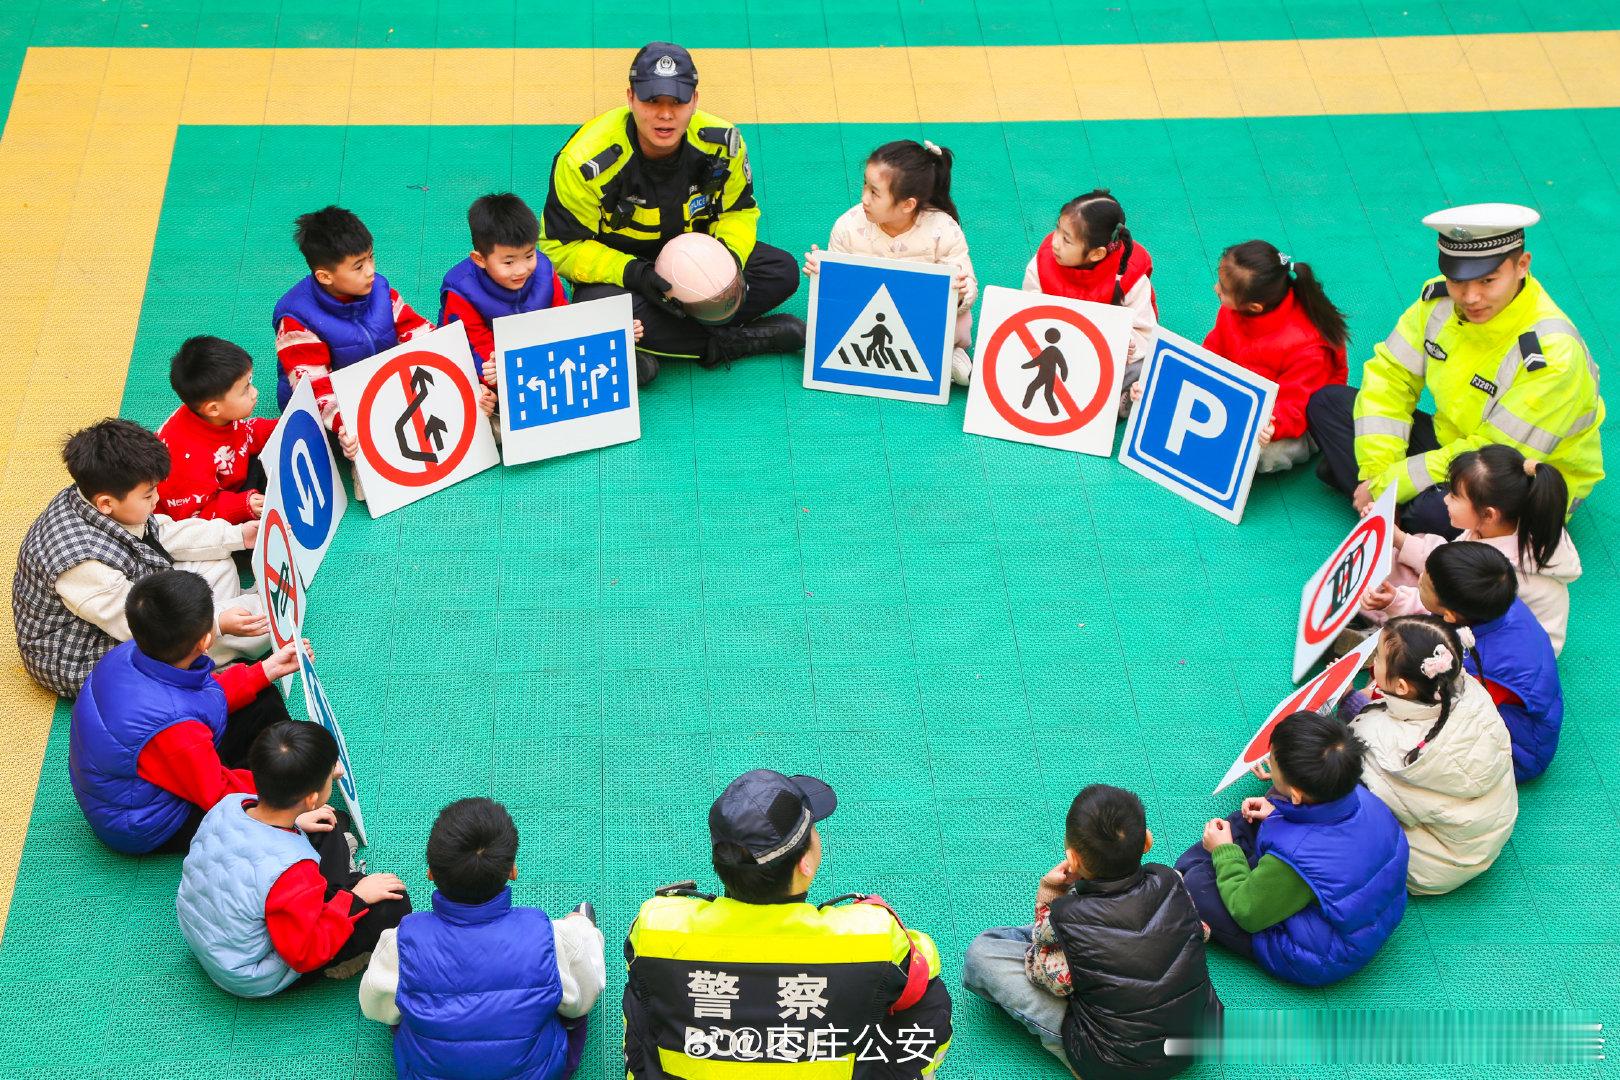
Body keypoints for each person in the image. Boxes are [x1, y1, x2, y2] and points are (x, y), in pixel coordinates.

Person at [622, 770, 952, 1076]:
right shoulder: (872, 934)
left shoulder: (658, 925)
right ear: (805, 863)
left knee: (643, 994)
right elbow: (923, 966)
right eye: (813, 831)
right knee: (928, 1001)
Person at [1307, 203, 1604, 535]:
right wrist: (1375, 474)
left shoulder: (1552, 354)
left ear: (1522, 265)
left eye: (1488, 280)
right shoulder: (1439, 301)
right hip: (1452, 443)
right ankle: (1390, 513)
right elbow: (1390, 378)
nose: (1471, 296)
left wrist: (1393, 482)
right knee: (1326, 404)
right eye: (1458, 280)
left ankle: (1390, 513)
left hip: (1516, 476)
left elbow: (1495, 457)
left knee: (1433, 515)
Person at [540, 42, 804, 387]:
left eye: (677, 102)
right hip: (625, 271)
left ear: (694, 100)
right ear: (631, 97)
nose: (665, 114)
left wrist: (726, 260)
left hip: (699, 259)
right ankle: (730, 343)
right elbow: (560, 247)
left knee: (781, 271)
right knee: (598, 309)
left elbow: (740, 211)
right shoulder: (583, 160)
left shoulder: (723, 142)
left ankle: (654, 341)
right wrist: (635, 273)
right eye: (652, 101)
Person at [963, 784, 1221, 1079]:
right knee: (1074, 943)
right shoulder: (1172, 880)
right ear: (1147, 841)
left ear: (1073, 859)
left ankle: (1078, 1062)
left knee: (982, 953)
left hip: (1114, 1062)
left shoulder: (1068, 918)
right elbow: (1200, 932)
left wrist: (1050, 898)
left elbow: (1045, 977)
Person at [12, 419, 269, 698]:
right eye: (148, 495)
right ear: (106, 504)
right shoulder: (79, 566)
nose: (157, 499)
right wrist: (217, 624)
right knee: (262, 624)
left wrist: (239, 535)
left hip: (128, 596)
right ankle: (215, 642)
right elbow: (142, 628)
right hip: (91, 651)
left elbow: (161, 533)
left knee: (216, 561)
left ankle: (215, 639)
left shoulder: (95, 494)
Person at [360, 797, 607, 1080]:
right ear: (512, 870)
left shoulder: (400, 942)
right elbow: (585, 995)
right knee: (570, 994)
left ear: (430, 873)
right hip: (535, 1073)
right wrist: (579, 928)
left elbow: (373, 1006)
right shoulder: (549, 937)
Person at [69, 570, 305, 854]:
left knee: (261, 696)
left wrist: (264, 671)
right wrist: (294, 789)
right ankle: (295, 795)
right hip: (150, 822)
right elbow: (216, 792)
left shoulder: (134, 651)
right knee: (269, 814)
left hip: (147, 774)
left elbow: (201, 694)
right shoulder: (175, 729)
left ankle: (287, 764)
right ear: (206, 641)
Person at [177, 720, 411, 997]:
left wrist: (298, 821)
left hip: (213, 937)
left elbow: (252, 845)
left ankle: (341, 885)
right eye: (330, 775)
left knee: (330, 821)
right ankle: (348, 951)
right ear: (311, 797)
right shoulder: (291, 872)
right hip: (254, 970)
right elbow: (303, 953)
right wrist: (357, 897)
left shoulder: (230, 803)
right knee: (392, 902)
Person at [1175, 711, 1408, 987]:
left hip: (1320, 953)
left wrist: (1224, 851)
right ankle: (1200, 871)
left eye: (1272, 765)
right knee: (1250, 817)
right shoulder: (1360, 794)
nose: (1269, 767)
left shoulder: (1295, 859)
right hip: (1366, 915)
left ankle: (1182, 886)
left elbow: (1247, 910)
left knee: (1199, 884)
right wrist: (1275, 808)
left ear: (1297, 794)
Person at [1344, 616, 1517, 896]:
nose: (1373, 664)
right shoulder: (1467, 691)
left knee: (1341, 800)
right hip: (1480, 835)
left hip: (1434, 864)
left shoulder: (1393, 751)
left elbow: (1353, 775)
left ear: (1402, 687)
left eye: (1378, 658)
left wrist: (1351, 704)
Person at [1365, 444, 1581, 654]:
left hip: (1498, 649)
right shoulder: (1504, 527)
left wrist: (1396, 602)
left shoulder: (1498, 571)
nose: (1445, 499)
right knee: (1400, 560)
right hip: (1474, 611)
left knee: (1404, 633)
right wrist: (1399, 538)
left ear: (1488, 514)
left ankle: (1377, 630)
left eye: (1455, 496)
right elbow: (1447, 561)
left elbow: (1454, 612)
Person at [803, 139, 979, 386]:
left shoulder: (944, 230)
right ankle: (932, 360)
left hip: (922, 317)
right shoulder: (848, 226)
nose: (864, 198)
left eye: (874, 192)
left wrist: (962, 292)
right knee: (829, 329)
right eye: (865, 185)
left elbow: (967, 285)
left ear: (908, 204)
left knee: (957, 324)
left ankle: (948, 355)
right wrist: (823, 274)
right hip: (867, 312)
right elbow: (839, 294)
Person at [272, 205, 436, 465]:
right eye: (358, 266)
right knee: (351, 443)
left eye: (371, 258)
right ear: (325, 276)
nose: (371, 270)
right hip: (329, 408)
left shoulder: (379, 289)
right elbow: (314, 389)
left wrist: (450, 353)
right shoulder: (296, 320)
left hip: (376, 386)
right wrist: (342, 423)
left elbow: (414, 330)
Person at [1410, 542, 1563, 782]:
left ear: (1449, 615)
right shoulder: (1496, 603)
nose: (1419, 579)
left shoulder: (1477, 668)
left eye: (1425, 583)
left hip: (1520, 755)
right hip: (1518, 712)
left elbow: (1447, 711)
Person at [1202, 240, 1348, 473]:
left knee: (1260, 452)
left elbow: (1296, 405)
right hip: (1248, 397)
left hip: (1293, 421)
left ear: (1255, 307)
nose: (1215, 289)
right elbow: (1214, 348)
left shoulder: (1308, 347)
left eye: (1223, 288)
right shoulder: (1233, 309)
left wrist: (1272, 424)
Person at [1021, 189, 1157, 414]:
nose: (1055, 242)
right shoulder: (1042, 265)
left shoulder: (1130, 279)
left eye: (1066, 240)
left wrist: (1127, 345)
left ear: (1096, 254)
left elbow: (1146, 333)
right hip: (1057, 345)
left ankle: (1121, 399)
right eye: (1057, 229)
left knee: (1146, 367)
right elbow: (1027, 311)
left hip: (1106, 360)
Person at [157, 336, 277, 523]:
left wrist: (284, 424)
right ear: (213, 408)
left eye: (250, 382)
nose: (255, 393)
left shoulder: (214, 415)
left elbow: (247, 433)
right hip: (201, 514)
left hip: (230, 484)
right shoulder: (189, 461)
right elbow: (193, 520)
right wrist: (241, 505)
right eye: (245, 389)